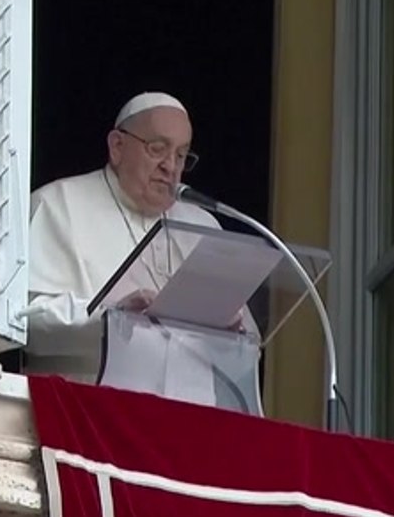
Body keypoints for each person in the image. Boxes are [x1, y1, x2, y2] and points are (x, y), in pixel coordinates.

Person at [22, 92, 261, 410]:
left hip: (190, 422)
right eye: (158, 149)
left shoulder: (201, 226)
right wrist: (110, 319)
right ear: (117, 147)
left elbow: (249, 348)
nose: (170, 167)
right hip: (86, 416)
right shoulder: (57, 205)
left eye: (181, 156)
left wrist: (232, 335)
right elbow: (25, 323)